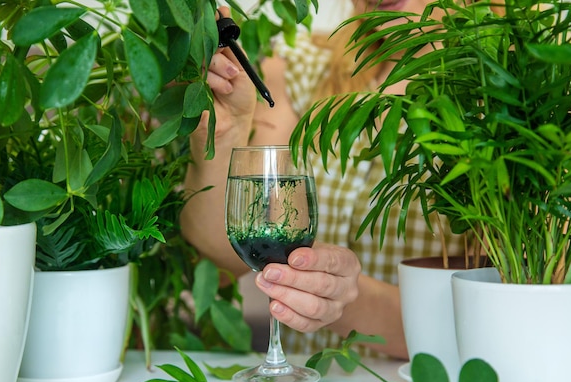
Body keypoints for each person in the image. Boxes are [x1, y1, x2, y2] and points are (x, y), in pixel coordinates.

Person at [180, 0, 466, 360]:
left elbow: (495, 324)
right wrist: (224, 135)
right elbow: (224, 254)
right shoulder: (307, 71)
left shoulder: (510, 100)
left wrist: (345, 299)